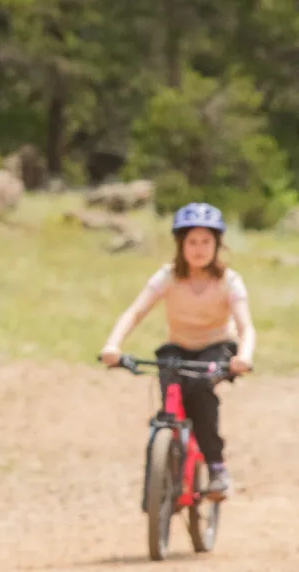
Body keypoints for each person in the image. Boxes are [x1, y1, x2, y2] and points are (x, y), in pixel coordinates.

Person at [100, 202, 255, 499]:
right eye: (192, 242)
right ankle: (163, 465)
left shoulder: (229, 281)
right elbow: (134, 313)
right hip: (179, 346)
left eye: (206, 242)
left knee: (199, 393)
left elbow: (246, 327)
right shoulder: (168, 277)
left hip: (216, 347)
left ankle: (216, 466)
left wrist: (243, 356)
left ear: (217, 245)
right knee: (168, 390)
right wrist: (113, 345)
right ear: (180, 245)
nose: (199, 249)